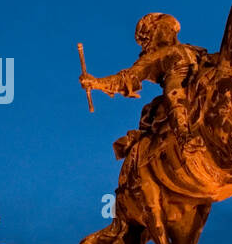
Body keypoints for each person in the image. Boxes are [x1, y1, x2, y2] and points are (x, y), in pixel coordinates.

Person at [79, 13, 207, 164]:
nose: (171, 31)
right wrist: (96, 82)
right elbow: (126, 79)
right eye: (165, 27)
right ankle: (184, 136)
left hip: (201, 76)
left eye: (171, 28)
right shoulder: (153, 57)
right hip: (177, 79)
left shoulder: (192, 48)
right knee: (174, 93)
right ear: (152, 34)